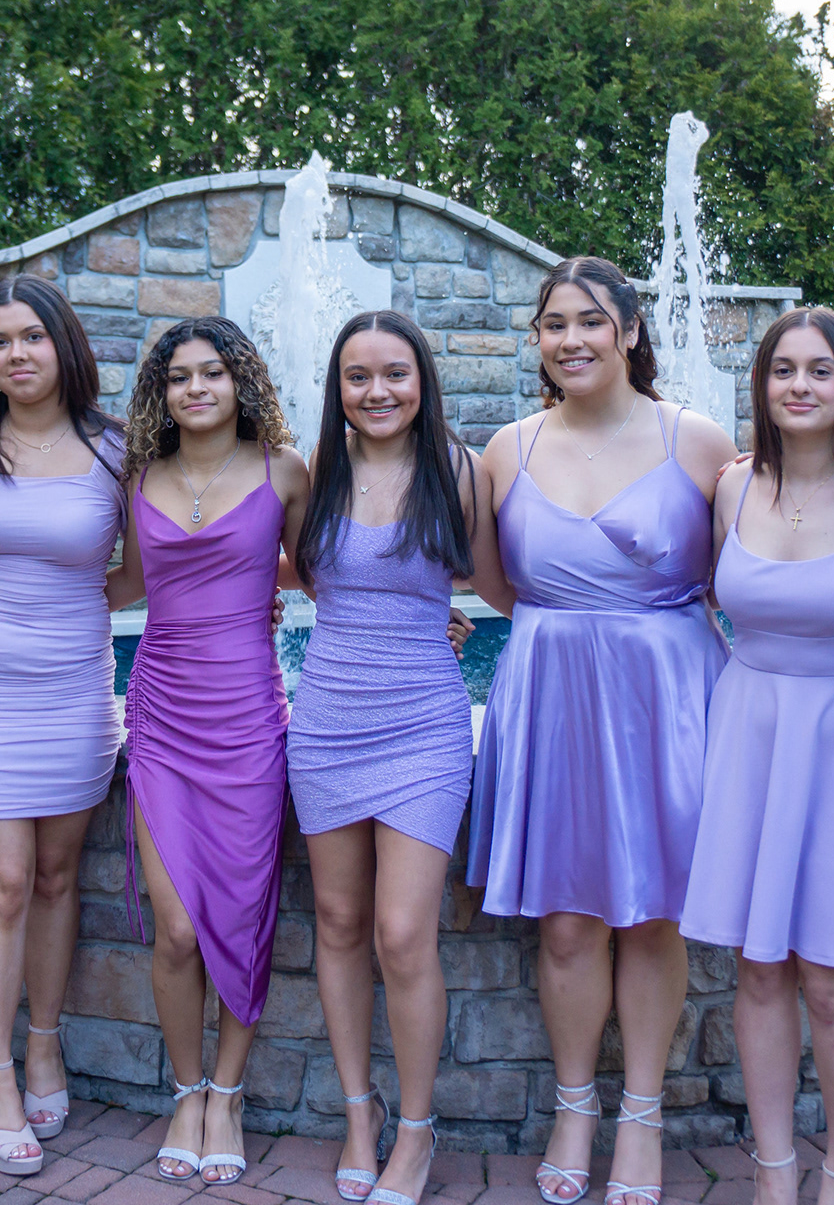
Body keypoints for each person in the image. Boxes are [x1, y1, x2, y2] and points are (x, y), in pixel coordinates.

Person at [468, 257, 735, 1205]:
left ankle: (644, 1116)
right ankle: (575, 1109)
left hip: (666, 694)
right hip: (551, 691)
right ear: (537, 339)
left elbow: (739, 576)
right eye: (554, 323)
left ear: (629, 330)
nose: (571, 339)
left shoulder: (696, 441)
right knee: (569, 920)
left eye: (590, 320)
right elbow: (493, 583)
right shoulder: (507, 449)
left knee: (655, 913)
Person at [680, 308, 834, 1205]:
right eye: (782, 369)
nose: (799, 385)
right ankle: (775, 1171)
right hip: (749, 735)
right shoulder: (731, 488)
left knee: (832, 980)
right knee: (757, 969)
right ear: (762, 385)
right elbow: (697, 599)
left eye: (819, 370)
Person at [289, 311, 511, 1205]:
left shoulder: (459, 469)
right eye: (358, 376)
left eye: (395, 374)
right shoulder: (318, 470)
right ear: (337, 388)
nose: (377, 391)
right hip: (327, 722)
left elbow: (498, 584)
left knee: (404, 934)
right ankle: (360, 1113)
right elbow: (294, 572)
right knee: (338, 923)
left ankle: (416, 1132)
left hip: (422, 726)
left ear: (422, 380)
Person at [0, 275, 129, 1176]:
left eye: (32, 337)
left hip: (73, 686)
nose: (16, 354)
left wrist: (71, 607)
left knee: (54, 876)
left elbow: (150, 569)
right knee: (4, 882)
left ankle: (44, 1040)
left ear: (64, 345)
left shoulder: (118, 449)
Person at [106, 317, 308, 1188]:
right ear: (162, 392)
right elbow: (125, 582)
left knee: (241, 916)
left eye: (213, 373)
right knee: (179, 928)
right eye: (180, 376)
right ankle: (185, 1091)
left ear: (241, 383)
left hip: (249, 719)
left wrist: (423, 613)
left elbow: (319, 568)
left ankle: (227, 1094)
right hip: (162, 715)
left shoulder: (284, 471)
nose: (196, 388)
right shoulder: (139, 476)